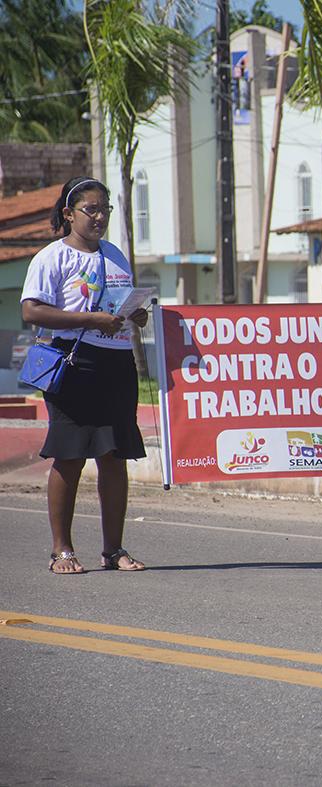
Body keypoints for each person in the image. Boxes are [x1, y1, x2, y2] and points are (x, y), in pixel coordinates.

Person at [20, 177, 150, 574]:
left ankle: (113, 550)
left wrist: (135, 316)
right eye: (90, 210)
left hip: (116, 365)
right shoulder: (51, 257)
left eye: (104, 210)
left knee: (114, 457)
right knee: (70, 456)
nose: (98, 217)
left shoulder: (114, 254)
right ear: (69, 214)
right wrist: (89, 318)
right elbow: (32, 312)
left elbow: (120, 306)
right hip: (73, 365)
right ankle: (62, 550)